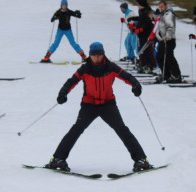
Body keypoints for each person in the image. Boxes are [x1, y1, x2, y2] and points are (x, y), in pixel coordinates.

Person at [45, 42, 152, 173]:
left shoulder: (110, 67)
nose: (96, 58)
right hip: (89, 106)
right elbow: (71, 81)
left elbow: (127, 76)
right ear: (90, 56)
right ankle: (58, 159)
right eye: (94, 55)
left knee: (122, 130)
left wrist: (136, 85)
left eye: (99, 55)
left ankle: (141, 160)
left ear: (103, 55)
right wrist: (63, 93)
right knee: (76, 129)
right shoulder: (85, 69)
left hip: (108, 105)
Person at [155, 1, 182, 83]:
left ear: (166, 6)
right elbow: (159, 28)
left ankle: (176, 75)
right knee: (160, 57)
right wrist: (159, 37)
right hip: (163, 39)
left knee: (169, 57)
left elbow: (170, 26)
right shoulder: (162, 15)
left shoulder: (168, 14)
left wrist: (167, 36)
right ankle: (166, 74)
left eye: (162, 6)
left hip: (169, 39)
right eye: (160, 7)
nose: (161, 8)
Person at [135, 0, 156, 73]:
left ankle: (150, 65)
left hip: (146, 34)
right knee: (141, 49)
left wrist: (141, 29)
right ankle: (144, 64)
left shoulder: (147, 11)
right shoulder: (141, 11)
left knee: (147, 49)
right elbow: (141, 19)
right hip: (141, 34)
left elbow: (148, 23)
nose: (138, 6)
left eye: (138, 4)